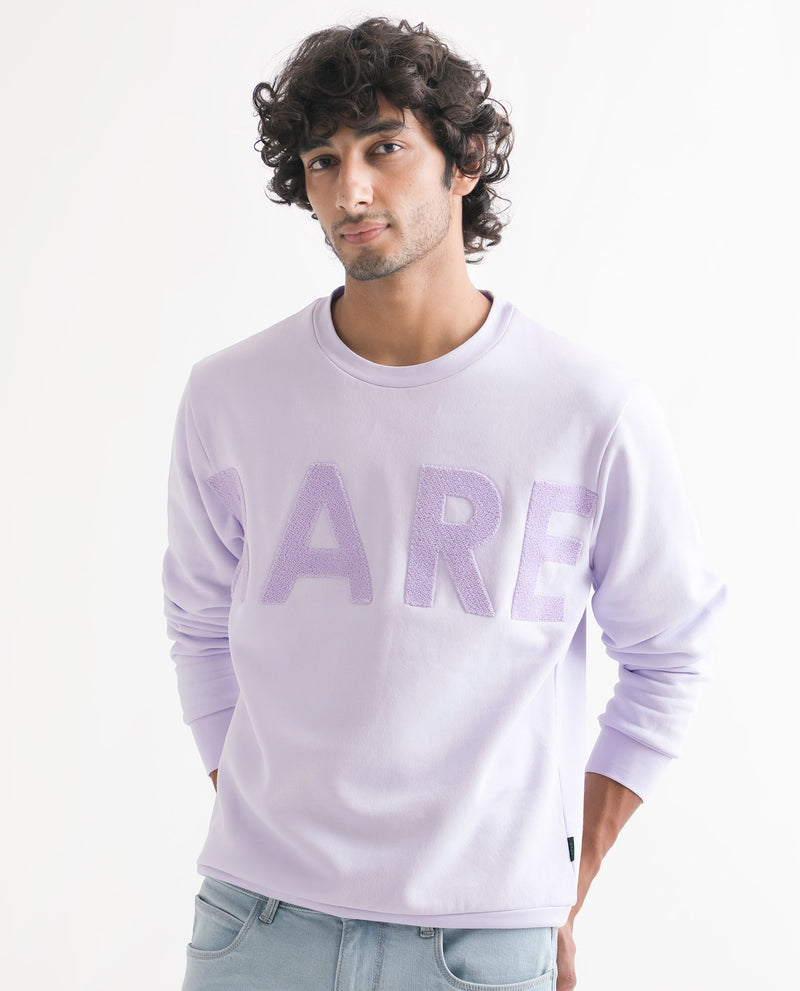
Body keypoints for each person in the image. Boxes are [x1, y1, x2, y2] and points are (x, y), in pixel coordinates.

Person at [162, 17, 725, 991]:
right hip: (256, 928)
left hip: (479, 947)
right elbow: (197, 627)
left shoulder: (589, 412)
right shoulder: (230, 395)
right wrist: (264, 824)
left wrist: (567, 874)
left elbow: (670, 649)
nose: (350, 190)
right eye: (322, 160)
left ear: (465, 161)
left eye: (383, 147)